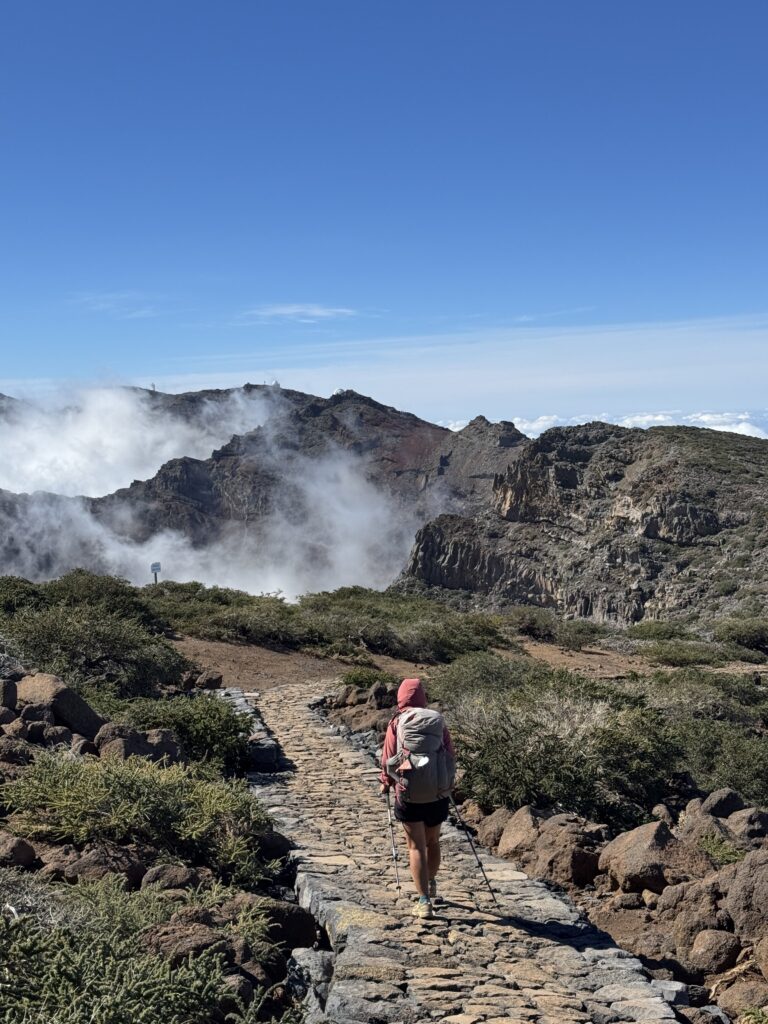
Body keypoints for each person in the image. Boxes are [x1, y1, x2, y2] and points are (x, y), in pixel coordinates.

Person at [379, 677, 456, 919]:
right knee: (433, 842)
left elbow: (389, 756)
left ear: (401, 698)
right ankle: (430, 881)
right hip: (437, 793)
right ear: (422, 697)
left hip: (408, 792)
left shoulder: (397, 722)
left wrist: (386, 783)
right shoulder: (437, 721)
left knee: (415, 847)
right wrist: (446, 784)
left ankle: (423, 902)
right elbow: (449, 756)